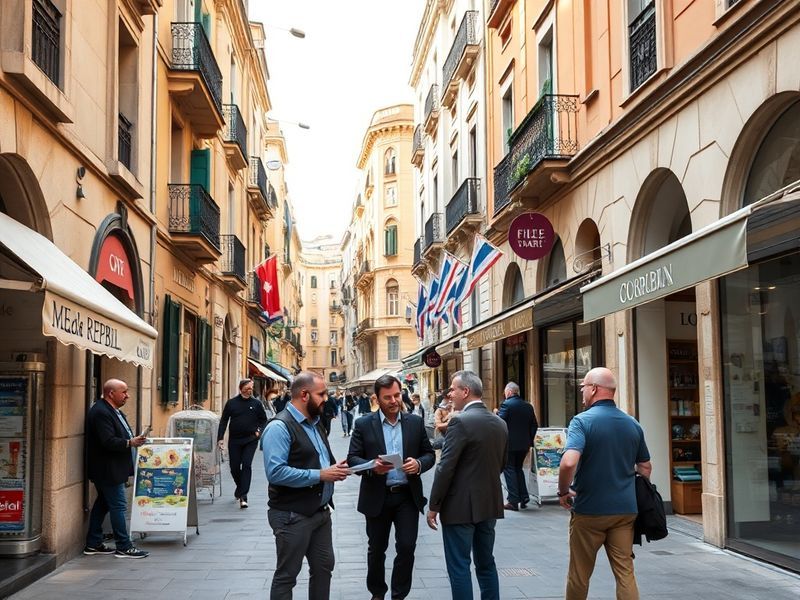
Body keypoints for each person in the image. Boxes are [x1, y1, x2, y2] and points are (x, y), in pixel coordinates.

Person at [557, 367, 652, 600]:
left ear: (594, 389)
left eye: (583, 387)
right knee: (625, 572)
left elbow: (569, 463)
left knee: (579, 574)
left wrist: (562, 491)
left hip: (590, 510)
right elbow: (645, 467)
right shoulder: (632, 423)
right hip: (624, 511)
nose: (581, 391)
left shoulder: (581, 421)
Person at [262, 371, 351, 600]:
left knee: (323, 569)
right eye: (321, 394)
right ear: (304, 395)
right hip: (292, 514)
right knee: (287, 575)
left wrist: (336, 468)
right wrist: (321, 474)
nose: (326, 399)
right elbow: (276, 472)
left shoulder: (315, 423)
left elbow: (318, 459)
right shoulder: (279, 427)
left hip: (320, 513)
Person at [347, 375, 436, 600]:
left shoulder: (414, 423)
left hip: (407, 496)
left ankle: (399, 595)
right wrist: (371, 467)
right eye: (388, 397)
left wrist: (418, 464)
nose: (394, 400)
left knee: (407, 547)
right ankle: (377, 593)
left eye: (397, 395)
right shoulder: (363, 424)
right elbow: (352, 459)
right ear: (377, 399)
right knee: (376, 549)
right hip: (377, 497)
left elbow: (429, 454)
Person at [427, 371, 508, 600]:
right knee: (486, 563)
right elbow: (502, 464)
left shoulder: (460, 422)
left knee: (459, 566)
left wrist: (434, 505)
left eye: (453, 389)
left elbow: (445, 467)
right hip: (489, 503)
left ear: (465, 391)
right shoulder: (500, 422)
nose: (450, 394)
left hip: (460, 506)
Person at [83, 379, 149, 558]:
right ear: (111, 393)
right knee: (119, 505)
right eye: (124, 392)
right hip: (107, 469)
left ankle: (93, 543)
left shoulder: (111, 410)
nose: (127, 395)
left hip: (112, 467)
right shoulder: (101, 412)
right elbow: (107, 441)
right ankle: (124, 546)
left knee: (103, 504)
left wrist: (132, 439)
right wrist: (130, 442)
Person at [218, 379, 269, 509]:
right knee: (234, 467)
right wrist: (220, 438)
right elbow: (224, 421)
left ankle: (243, 496)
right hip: (234, 440)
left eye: (251, 388)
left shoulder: (256, 404)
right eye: (247, 388)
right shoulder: (231, 403)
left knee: (246, 465)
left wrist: (259, 431)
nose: (249, 390)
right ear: (241, 389)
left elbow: (264, 420)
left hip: (251, 440)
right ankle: (240, 488)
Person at [497, 382, 538, 511]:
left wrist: (496, 413)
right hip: (524, 445)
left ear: (509, 392)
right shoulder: (528, 406)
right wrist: (529, 440)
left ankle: (513, 500)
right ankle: (524, 496)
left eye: (505, 392)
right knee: (518, 469)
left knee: (509, 469)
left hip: (509, 444)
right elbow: (534, 425)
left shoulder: (506, 405)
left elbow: (499, 423)